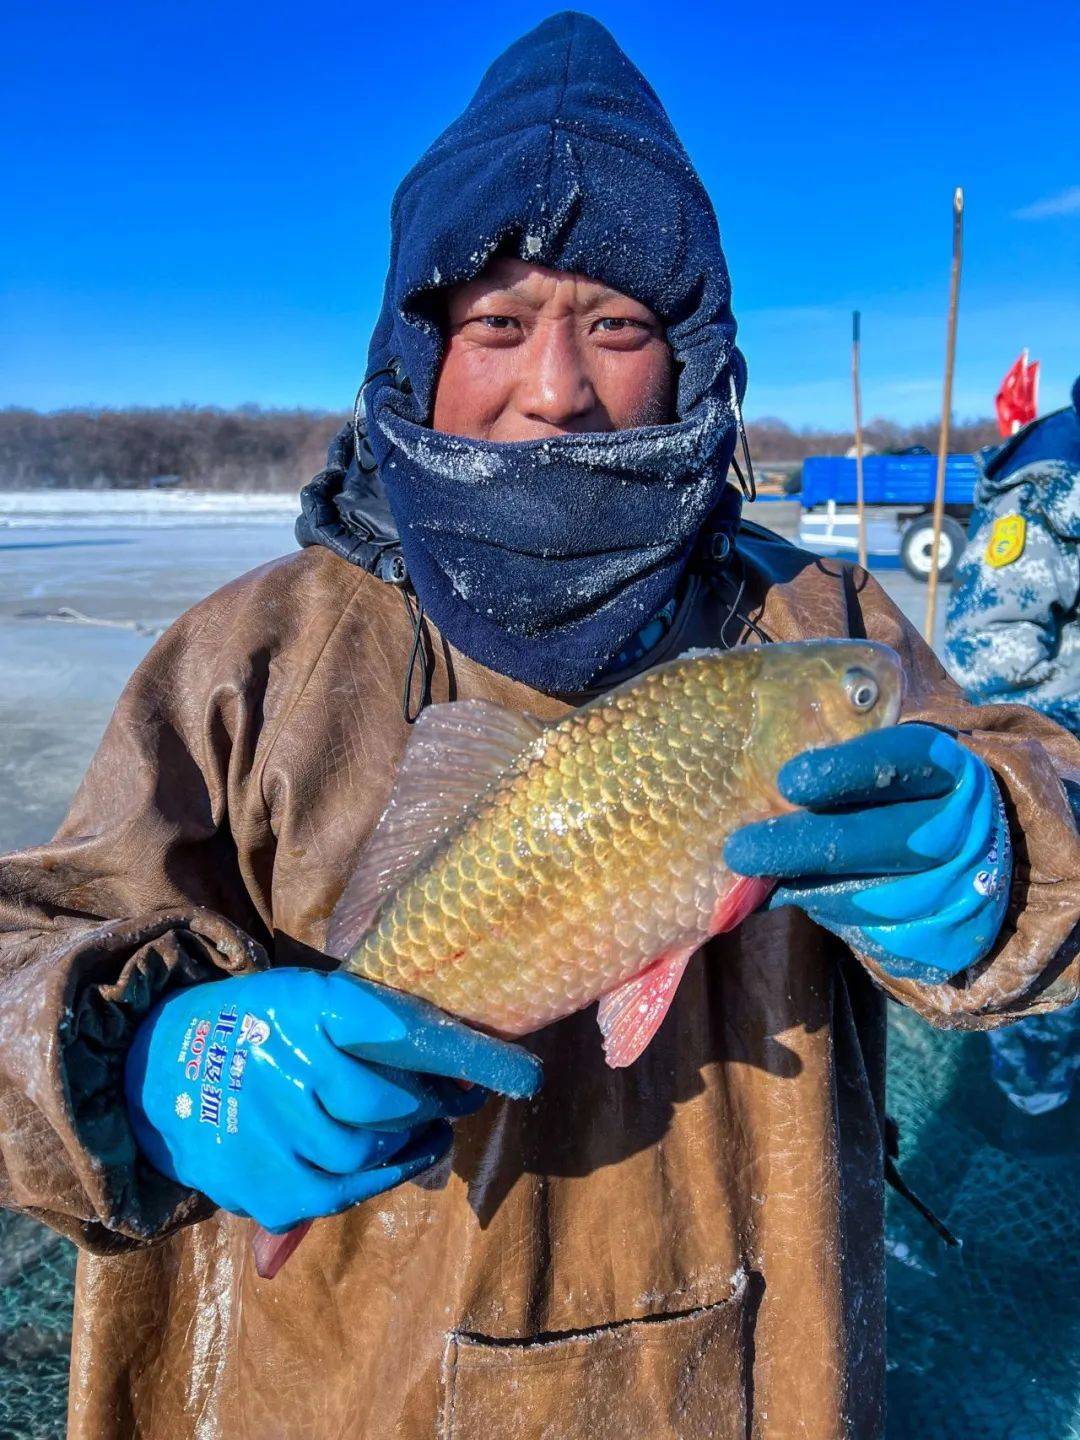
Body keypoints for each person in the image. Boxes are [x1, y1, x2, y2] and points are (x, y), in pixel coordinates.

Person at [1, 15, 1077, 1440]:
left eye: (618, 325)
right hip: (338, 1384)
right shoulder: (254, 654)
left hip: (755, 1380)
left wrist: (1006, 852)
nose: (557, 385)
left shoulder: (821, 620)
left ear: (693, 359)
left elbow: (1036, 775)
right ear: (417, 356)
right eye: (498, 323)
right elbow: (27, 950)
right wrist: (139, 1065)